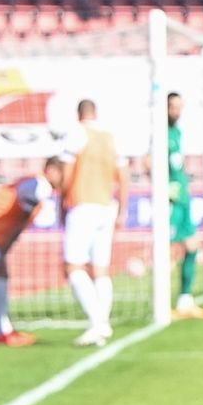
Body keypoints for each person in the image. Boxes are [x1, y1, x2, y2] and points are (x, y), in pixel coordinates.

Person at [0, 157, 65, 348]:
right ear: (51, 170)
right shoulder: (40, 186)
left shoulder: (35, 183)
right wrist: (7, 243)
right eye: (63, 172)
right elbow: (22, 211)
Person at [60, 98, 126, 346]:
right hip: (107, 206)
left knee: (73, 266)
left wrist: (63, 202)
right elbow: (124, 175)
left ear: (79, 115)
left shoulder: (77, 132)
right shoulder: (110, 136)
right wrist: (122, 209)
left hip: (82, 203)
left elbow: (66, 173)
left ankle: (97, 322)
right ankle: (103, 323)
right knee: (100, 269)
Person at [165, 92, 203, 320]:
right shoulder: (161, 134)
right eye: (172, 106)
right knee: (166, 251)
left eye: (179, 106)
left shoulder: (176, 132)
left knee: (192, 247)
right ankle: (161, 304)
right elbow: (147, 161)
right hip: (171, 201)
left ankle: (184, 300)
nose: (176, 110)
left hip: (183, 199)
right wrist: (164, 187)